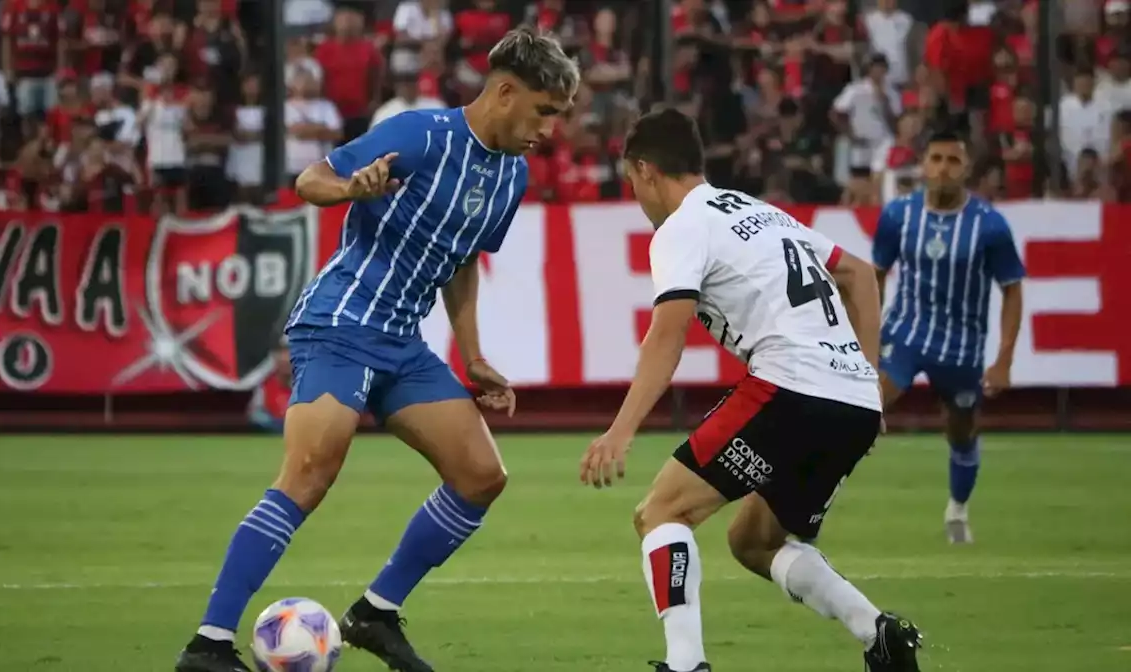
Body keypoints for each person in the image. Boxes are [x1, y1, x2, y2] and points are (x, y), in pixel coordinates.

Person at [174, 26, 579, 672]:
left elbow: (462, 260)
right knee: (309, 473)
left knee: (481, 476)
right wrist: (350, 191)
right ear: (505, 93)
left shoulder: (512, 175)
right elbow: (311, 179)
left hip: (402, 343)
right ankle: (209, 644)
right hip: (339, 323)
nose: (549, 130)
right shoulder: (420, 134)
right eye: (544, 112)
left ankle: (375, 613)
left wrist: (470, 355)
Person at [579, 108, 923, 672]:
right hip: (853, 402)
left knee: (661, 511)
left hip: (791, 385)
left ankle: (686, 666)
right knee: (754, 541)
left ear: (645, 170)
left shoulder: (682, 226)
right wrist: (868, 378)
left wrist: (620, 430)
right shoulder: (760, 212)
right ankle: (879, 634)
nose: (636, 197)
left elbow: (667, 336)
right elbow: (858, 273)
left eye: (631, 181)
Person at [872, 130, 1025, 544]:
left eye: (953, 160)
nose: (943, 168)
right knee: (864, 406)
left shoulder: (990, 226)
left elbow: (1011, 289)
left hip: (961, 346)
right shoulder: (898, 215)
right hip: (905, 332)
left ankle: (957, 509)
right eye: (936, 158)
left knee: (961, 430)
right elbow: (877, 277)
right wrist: (866, 338)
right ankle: (817, 499)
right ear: (922, 165)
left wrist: (1004, 359)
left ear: (967, 168)